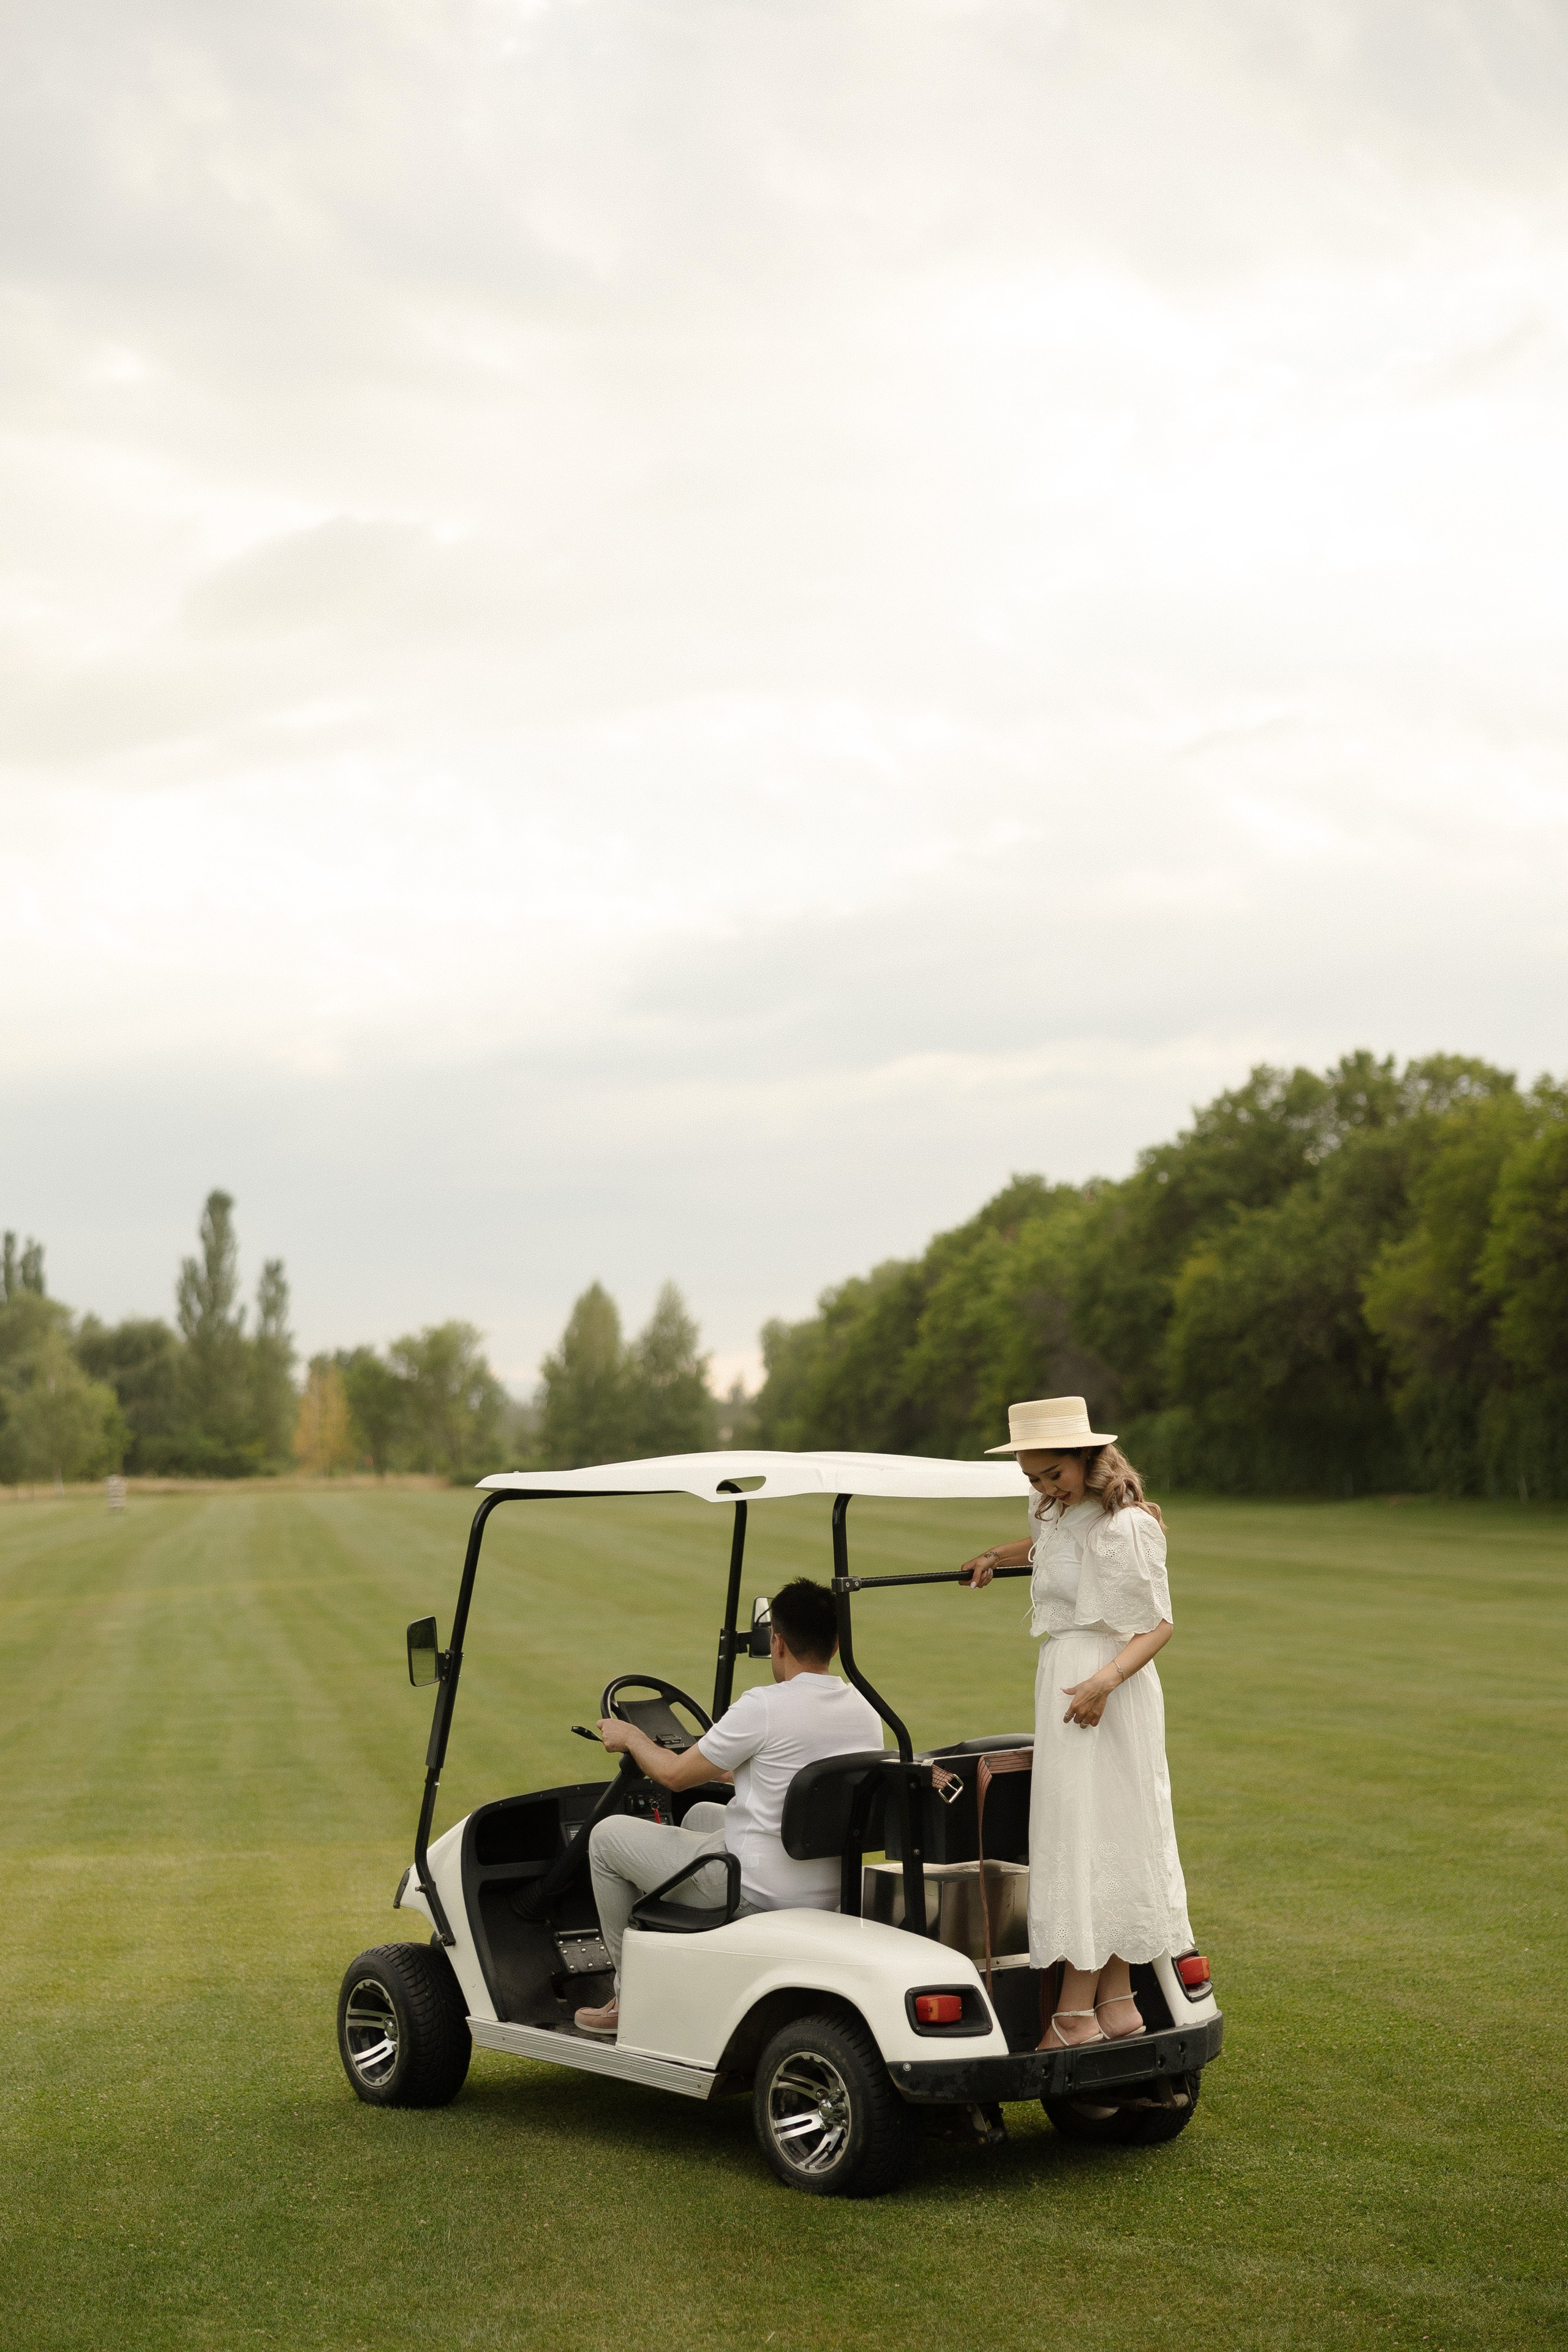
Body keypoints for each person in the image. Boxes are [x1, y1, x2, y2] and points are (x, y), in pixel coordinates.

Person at [963, 1395, 1192, 2049]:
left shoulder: (1126, 1527)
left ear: (1086, 1459)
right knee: (1089, 1831)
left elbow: (1158, 1624)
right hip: (1067, 1678)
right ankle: (1114, 2004)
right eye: (1031, 1477)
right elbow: (1044, 1546)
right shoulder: (1053, 1513)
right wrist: (994, 1557)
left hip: (1107, 1684)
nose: (1041, 1488)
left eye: (1051, 1474)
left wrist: (1103, 1682)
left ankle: (1072, 2015)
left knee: (1099, 1834)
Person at [573, 1577, 885, 2039]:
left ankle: (629, 1993)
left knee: (605, 1838)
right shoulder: (863, 1708)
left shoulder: (763, 1706)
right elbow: (783, 1769)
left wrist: (633, 1739)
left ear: (777, 1642)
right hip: (824, 1881)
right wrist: (723, 1764)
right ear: (837, 1643)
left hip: (756, 1890)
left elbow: (675, 1776)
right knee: (701, 1814)